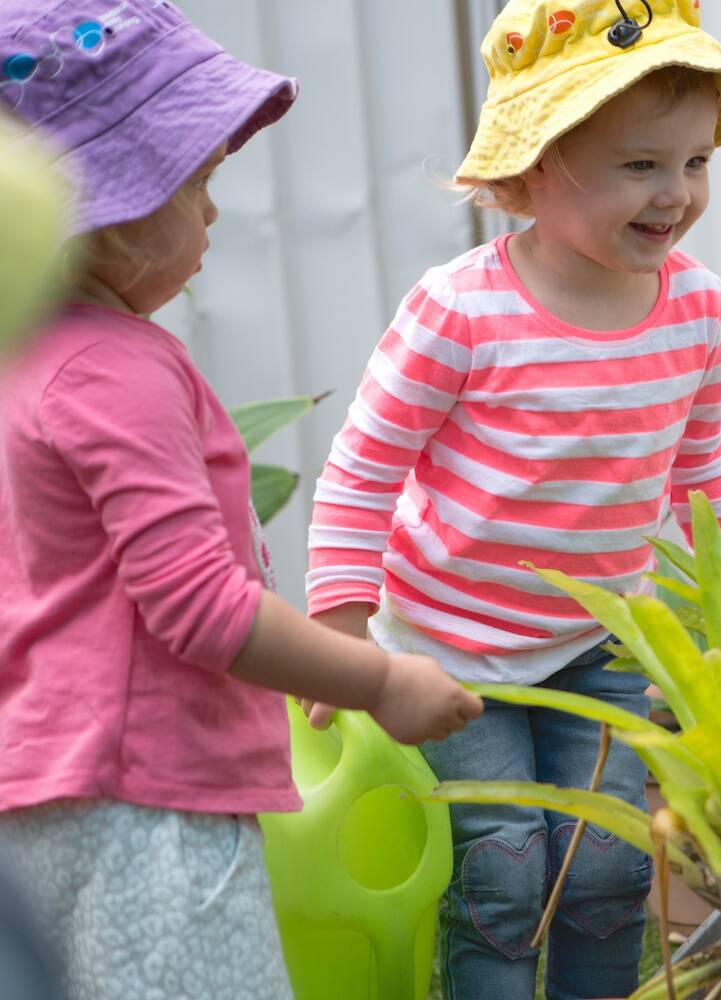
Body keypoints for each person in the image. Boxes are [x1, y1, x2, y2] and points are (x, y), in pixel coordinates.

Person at [0, 5, 481, 998]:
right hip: (147, 808)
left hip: (40, 791)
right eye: (196, 183)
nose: (213, 213)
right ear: (110, 214)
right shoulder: (117, 371)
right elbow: (198, 607)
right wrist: (378, 681)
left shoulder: (26, 363)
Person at [302, 1, 721, 995]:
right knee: (504, 872)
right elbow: (363, 470)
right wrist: (342, 631)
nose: (676, 193)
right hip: (447, 642)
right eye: (640, 164)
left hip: (599, 641)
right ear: (534, 168)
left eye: (695, 162)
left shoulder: (699, 308)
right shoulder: (460, 310)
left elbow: (702, 464)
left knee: (607, 866)